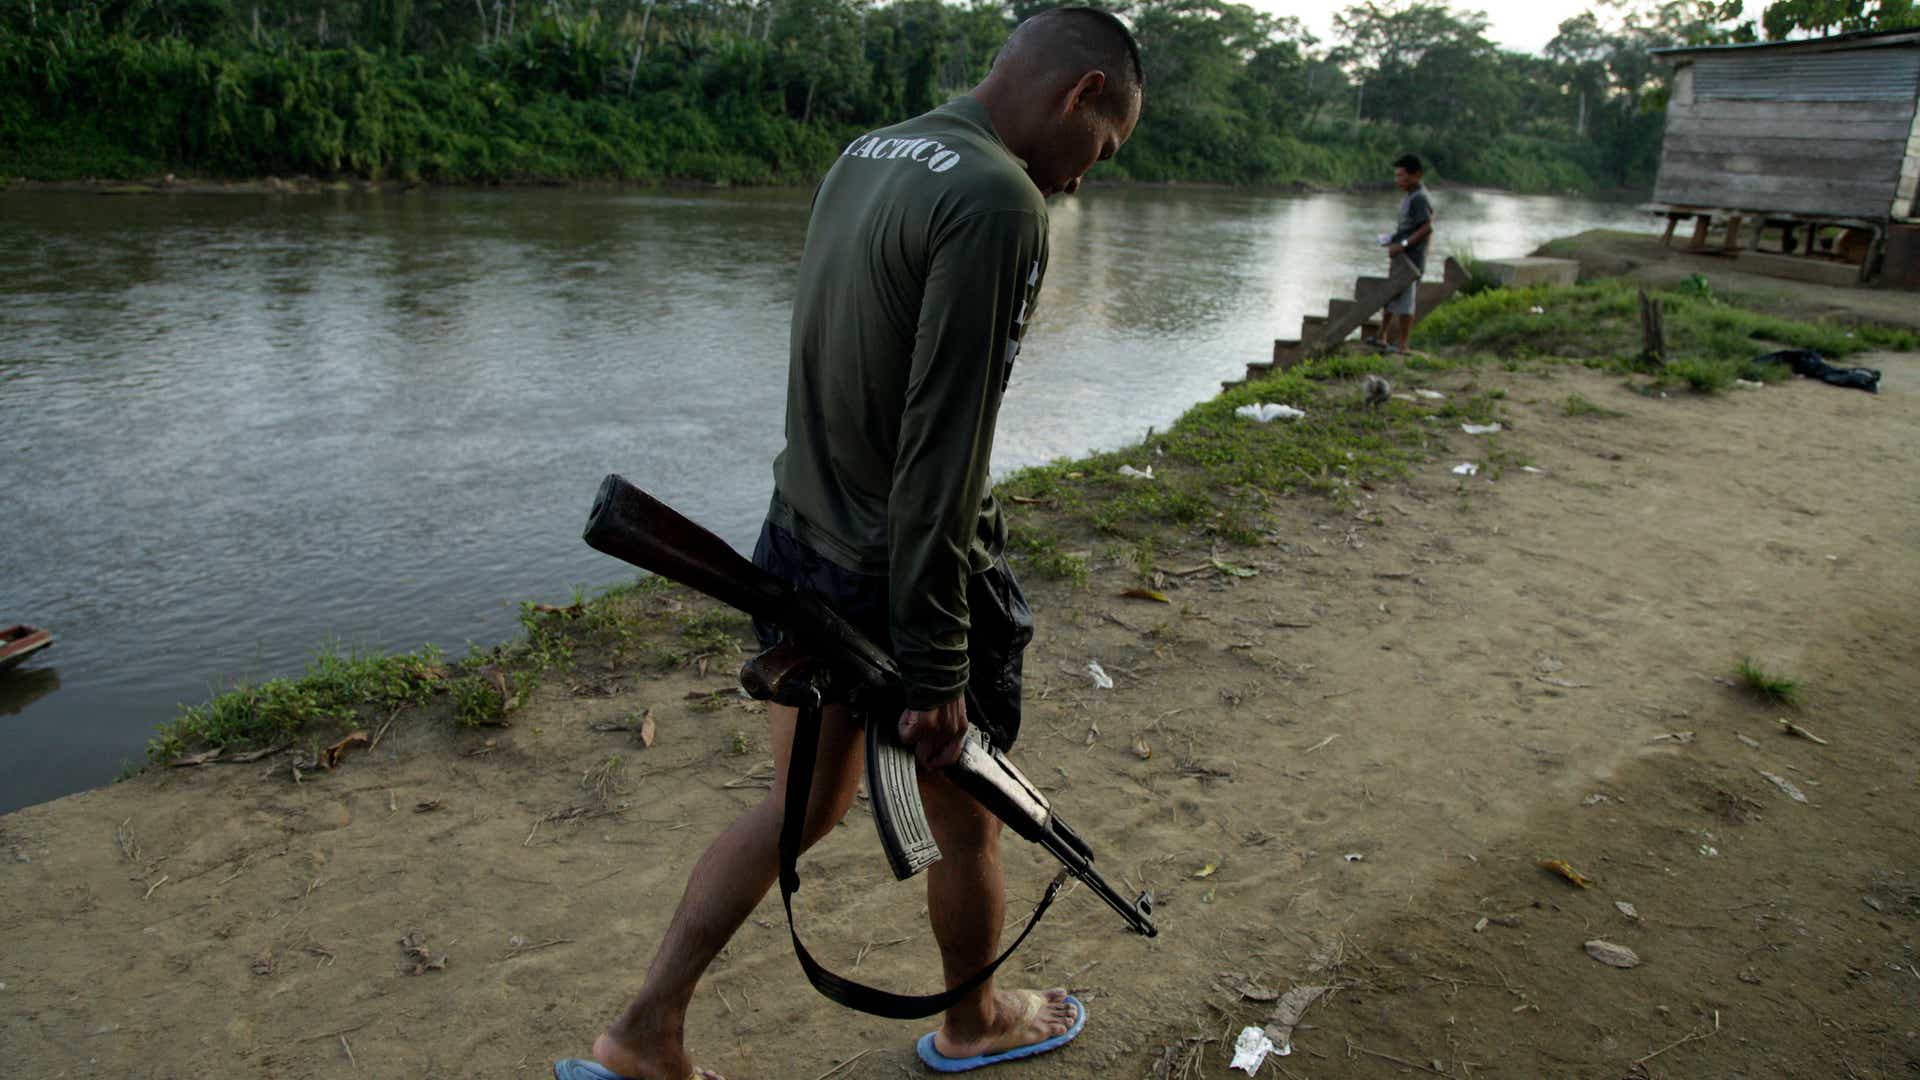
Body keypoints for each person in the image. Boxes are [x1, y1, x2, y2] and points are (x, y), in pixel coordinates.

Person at [554, 9, 1143, 1080]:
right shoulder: (998, 200)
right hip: (898, 575)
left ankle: (642, 1033)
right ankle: (974, 1025)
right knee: (971, 822)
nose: (1080, 182)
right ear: (1081, 93)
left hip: (800, 538)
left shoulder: (873, 150)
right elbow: (943, 451)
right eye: (1100, 153)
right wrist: (935, 659)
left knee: (800, 808)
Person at [1373, 153, 1435, 354]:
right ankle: (1381, 335)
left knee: (1406, 301)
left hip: (1412, 260)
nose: (1398, 180)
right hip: (1402, 257)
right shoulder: (1410, 197)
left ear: (1416, 175)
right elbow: (1410, 227)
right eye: (1397, 176)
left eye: (1401, 176)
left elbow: (1426, 228)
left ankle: (1403, 345)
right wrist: (1393, 239)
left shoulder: (1420, 198)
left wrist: (1404, 244)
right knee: (1392, 295)